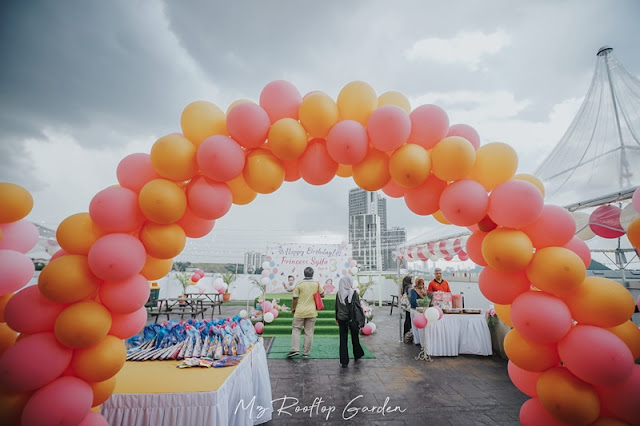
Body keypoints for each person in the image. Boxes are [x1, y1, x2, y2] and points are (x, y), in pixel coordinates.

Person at [287, 267, 324, 358]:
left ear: (304, 274)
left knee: (296, 329)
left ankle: (295, 349)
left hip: (300, 311)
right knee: (309, 332)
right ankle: (306, 353)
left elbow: (295, 298)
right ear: (313, 274)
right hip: (311, 312)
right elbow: (323, 294)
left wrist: (293, 308)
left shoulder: (299, 283)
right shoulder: (316, 284)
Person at [334, 276, 365, 368]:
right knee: (355, 337)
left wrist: (336, 317)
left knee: (343, 339)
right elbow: (358, 306)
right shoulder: (354, 293)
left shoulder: (339, 293)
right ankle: (357, 354)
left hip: (341, 318)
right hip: (353, 318)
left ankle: (344, 361)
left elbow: (336, 306)